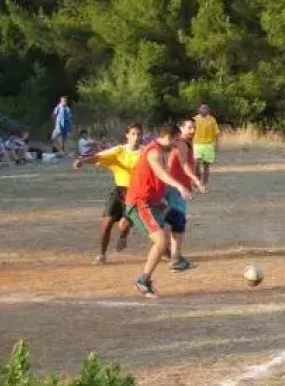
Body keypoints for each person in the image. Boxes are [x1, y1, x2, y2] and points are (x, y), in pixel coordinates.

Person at [126, 123, 194, 297]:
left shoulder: (165, 151)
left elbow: (162, 178)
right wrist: (180, 187)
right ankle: (143, 281)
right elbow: (160, 173)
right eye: (177, 140)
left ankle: (175, 259)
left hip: (155, 203)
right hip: (140, 203)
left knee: (177, 219)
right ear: (169, 137)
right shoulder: (154, 151)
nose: (178, 144)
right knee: (161, 241)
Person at [76, 123, 141, 264]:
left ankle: (124, 235)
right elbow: (98, 157)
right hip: (119, 191)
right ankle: (101, 255)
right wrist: (83, 161)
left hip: (136, 194)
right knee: (106, 224)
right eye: (133, 134)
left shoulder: (145, 153)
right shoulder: (119, 150)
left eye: (139, 134)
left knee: (123, 224)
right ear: (127, 135)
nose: (136, 137)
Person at [163, 117, 208, 272]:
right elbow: (183, 165)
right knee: (178, 221)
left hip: (174, 186)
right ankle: (175, 258)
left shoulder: (179, 143)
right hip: (176, 188)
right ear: (180, 128)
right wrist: (196, 180)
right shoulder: (181, 144)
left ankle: (170, 253)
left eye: (194, 128)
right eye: (189, 127)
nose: (193, 130)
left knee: (172, 221)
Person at [192, 104, 220, 188]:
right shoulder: (195, 119)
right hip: (197, 144)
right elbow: (190, 132)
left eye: (206, 108)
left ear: (208, 110)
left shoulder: (212, 120)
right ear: (199, 110)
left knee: (206, 166)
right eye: (202, 108)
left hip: (209, 145)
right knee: (196, 164)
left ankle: (204, 184)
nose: (204, 110)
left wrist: (217, 144)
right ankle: (197, 182)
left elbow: (217, 133)